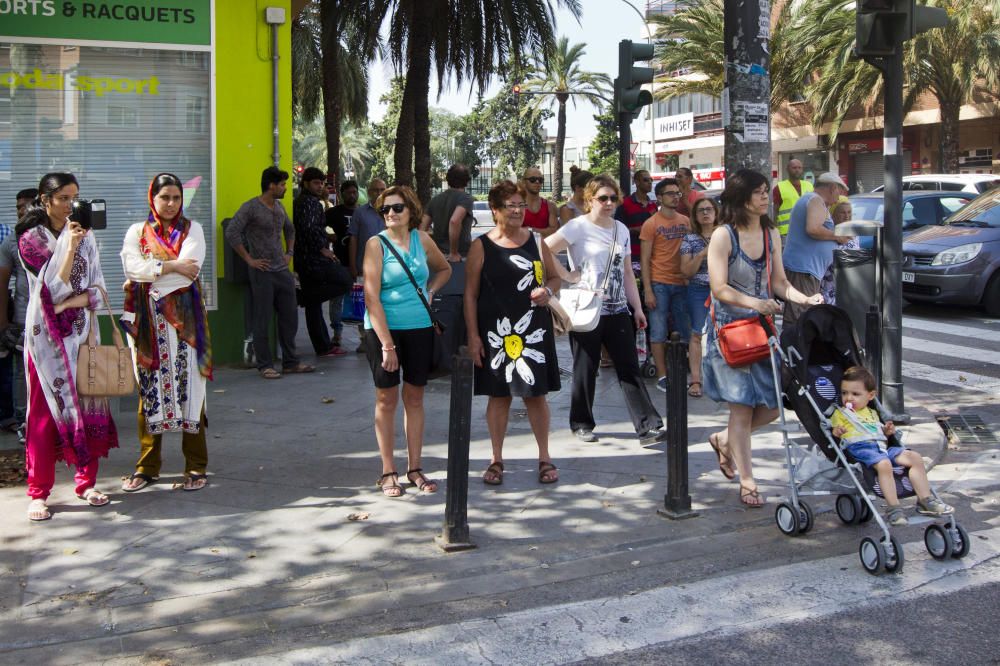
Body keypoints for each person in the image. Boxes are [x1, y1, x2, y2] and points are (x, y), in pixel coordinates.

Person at [702, 169, 823, 507]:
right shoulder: (723, 236)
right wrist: (756, 302)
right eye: (758, 192)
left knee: (772, 405)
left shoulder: (771, 233)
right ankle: (747, 480)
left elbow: (780, 281)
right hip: (730, 331)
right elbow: (719, 287)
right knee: (741, 409)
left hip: (762, 329)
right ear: (742, 197)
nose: (765, 197)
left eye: (766, 191)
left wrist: (803, 299)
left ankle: (725, 441)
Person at [17, 172, 118, 521]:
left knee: (89, 407)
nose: (70, 205)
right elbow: (49, 287)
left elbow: (97, 288)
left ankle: (86, 483)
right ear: (45, 201)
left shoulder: (87, 236)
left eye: (75, 197)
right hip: (45, 341)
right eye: (63, 198)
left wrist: (71, 303)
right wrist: (70, 247)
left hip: (82, 334)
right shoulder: (30, 238)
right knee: (43, 417)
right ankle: (38, 491)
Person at [546, 175, 667, 446]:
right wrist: (568, 274)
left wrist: (636, 308)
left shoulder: (621, 230)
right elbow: (544, 247)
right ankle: (581, 423)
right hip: (587, 307)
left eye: (613, 198)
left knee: (629, 366)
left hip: (617, 308)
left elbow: (626, 272)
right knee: (585, 367)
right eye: (603, 198)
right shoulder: (577, 227)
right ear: (590, 200)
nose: (609, 202)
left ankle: (648, 426)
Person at [465, 180, 563, 486]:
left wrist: (547, 290)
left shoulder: (536, 240)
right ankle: (496, 459)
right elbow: (470, 294)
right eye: (511, 206)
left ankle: (544, 457)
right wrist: (473, 336)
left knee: (536, 395)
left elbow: (556, 278)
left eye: (521, 205)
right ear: (495, 210)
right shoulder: (481, 246)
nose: (519, 211)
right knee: (498, 396)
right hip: (495, 332)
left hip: (533, 329)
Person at [119, 173, 213, 493]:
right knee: (149, 394)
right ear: (153, 198)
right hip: (147, 326)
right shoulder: (136, 231)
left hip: (186, 325)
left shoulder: (193, 229)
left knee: (192, 395)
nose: (171, 204)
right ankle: (147, 467)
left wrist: (151, 277)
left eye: (176, 197)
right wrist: (170, 266)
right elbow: (132, 268)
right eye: (164, 198)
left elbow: (191, 271)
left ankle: (196, 466)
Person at [363, 185, 451, 498]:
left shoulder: (421, 239)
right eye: (385, 209)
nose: (390, 214)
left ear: (410, 210)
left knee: (414, 398)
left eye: (397, 208)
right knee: (386, 399)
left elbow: (444, 268)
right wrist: (387, 345)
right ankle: (388, 471)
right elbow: (371, 297)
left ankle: (415, 468)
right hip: (384, 330)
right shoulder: (376, 244)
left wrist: (430, 291)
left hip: (420, 327)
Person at [831, 366, 953, 525]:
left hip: (881, 448)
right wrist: (837, 431)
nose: (848, 398)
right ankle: (894, 508)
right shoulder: (840, 413)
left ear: (870, 396)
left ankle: (925, 500)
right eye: (844, 393)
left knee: (915, 457)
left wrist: (887, 432)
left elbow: (880, 435)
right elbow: (834, 432)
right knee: (884, 464)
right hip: (860, 449)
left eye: (855, 394)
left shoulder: (872, 413)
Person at [225, 166, 315, 379]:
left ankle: (291, 362)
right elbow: (232, 232)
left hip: (282, 270)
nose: (285, 188)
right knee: (262, 318)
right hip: (262, 271)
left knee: (290, 316)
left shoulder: (280, 207)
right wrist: (249, 260)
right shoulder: (251, 207)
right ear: (271, 185)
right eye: (282, 184)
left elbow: (290, 230)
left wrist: (289, 252)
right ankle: (264, 364)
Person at [639, 178, 692, 393]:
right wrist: (648, 290)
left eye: (677, 192)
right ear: (659, 197)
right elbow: (645, 259)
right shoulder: (651, 224)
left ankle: (682, 372)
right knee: (658, 332)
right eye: (670, 193)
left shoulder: (685, 221)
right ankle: (662, 375)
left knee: (685, 331)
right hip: (659, 283)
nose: (675, 196)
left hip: (683, 283)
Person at [293, 167, 352, 358]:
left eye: (322, 183)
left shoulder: (302, 202)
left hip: (303, 260)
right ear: (306, 184)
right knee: (345, 279)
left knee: (314, 306)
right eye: (316, 183)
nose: (320, 187)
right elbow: (309, 229)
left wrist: (327, 236)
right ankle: (305, 297)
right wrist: (322, 248)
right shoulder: (311, 203)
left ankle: (324, 347)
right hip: (313, 260)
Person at [781, 172, 852, 328]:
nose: (839, 197)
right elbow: (813, 229)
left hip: (807, 270)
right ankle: (794, 349)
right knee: (799, 317)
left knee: (804, 314)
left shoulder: (814, 201)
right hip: (803, 269)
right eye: (839, 191)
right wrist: (838, 237)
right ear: (833, 187)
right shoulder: (815, 200)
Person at [0, 187, 35, 436]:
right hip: (24, 317)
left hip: (58, 319)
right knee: (23, 372)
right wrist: (3, 320)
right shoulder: (12, 238)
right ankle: (24, 420)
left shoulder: (61, 234)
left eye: (28, 205)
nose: (23, 211)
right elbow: (2, 282)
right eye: (18, 207)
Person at [679, 196, 721, 399]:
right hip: (698, 289)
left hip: (723, 290)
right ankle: (696, 380)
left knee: (724, 333)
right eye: (701, 210)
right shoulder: (689, 240)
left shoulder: (726, 235)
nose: (705, 213)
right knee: (697, 334)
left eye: (709, 209)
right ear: (695, 216)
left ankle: (721, 379)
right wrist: (702, 254)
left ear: (716, 213)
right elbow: (686, 271)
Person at [348, 179, 387, 354]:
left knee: (385, 301)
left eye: (382, 189)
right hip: (365, 266)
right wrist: (352, 265)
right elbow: (353, 239)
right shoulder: (360, 213)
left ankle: (384, 337)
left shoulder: (392, 211)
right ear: (369, 192)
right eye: (375, 190)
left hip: (389, 266)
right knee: (364, 303)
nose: (379, 193)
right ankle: (365, 339)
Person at [325, 178, 360, 350]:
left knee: (362, 300)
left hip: (361, 264)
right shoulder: (334, 213)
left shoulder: (362, 213)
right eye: (349, 193)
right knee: (336, 299)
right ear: (342, 195)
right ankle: (337, 334)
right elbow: (318, 227)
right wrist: (328, 237)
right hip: (340, 262)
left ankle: (363, 337)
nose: (352, 195)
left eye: (354, 192)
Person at [422, 164, 475, 262]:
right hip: (459, 256)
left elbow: (421, 229)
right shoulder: (465, 198)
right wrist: (453, 253)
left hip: (438, 256)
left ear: (448, 179)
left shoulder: (435, 200)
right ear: (467, 181)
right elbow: (454, 221)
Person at [818, 197, 858, 305]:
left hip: (848, 287)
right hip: (829, 287)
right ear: (833, 214)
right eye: (842, 213)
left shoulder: (854, 234)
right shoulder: (828, 234)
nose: (847, 216)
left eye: (849, 212)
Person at [614, 169, 658, 268]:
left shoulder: (653, 205)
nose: (650, 182)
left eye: (651, 180)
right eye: (646, 180)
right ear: (637, 182)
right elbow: (617, 230)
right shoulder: (625, 204)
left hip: (652, 255)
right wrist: (635, 230)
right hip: (632, 256)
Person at [772, 159, 814, 238]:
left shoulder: (809, 186)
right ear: (787, 169)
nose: (797, 170)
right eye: (794, 168)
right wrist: (774, 231)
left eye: (799, 168)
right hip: (786, 233)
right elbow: (774, 211)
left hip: (807, 231)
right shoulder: (779, 187)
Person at [520, 167, 558, 237]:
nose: (537, 182)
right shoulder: (517, 206)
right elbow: (512, 231)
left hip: (544, 246)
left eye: (540, 180)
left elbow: (553, 231)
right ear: (524, 182)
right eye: (532, 179)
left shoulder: (550, 206)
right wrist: (543, 231)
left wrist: (529, 230)